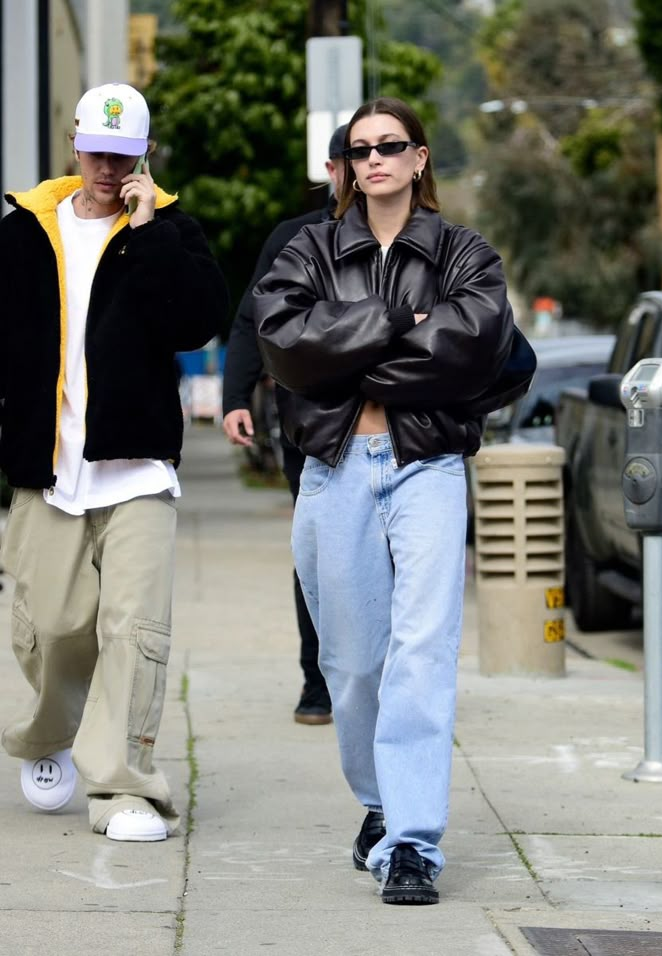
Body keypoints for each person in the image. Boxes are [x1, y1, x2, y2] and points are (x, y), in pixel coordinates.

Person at [254, 97, 534, 903]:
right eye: (360, 148)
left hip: (428, 465)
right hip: (336, 469)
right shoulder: (308, 249)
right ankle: (379, 803)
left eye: (392, 145)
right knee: (350, 665)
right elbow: (287, 347)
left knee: (422, 649)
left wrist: (347, 350)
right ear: (344, 165)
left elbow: (472, 348)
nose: (375, 158)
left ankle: (412, 841)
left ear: (419, 159)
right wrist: (396, 322)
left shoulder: (465, 253)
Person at [0, 83, 228, 841]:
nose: (107, 167)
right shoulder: (25, 233)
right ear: (74, 144)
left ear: (145, 155)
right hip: (47, 464)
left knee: (134, 631)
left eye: (124, 155)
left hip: (137, 469)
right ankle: (46, 736)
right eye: (97, 152)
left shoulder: (169, 230)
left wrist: (150, 228)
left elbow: (197, 322)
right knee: (53, 627)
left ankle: (124, 787)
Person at [222, 125, 348, 725]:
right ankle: (317, 681)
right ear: (331, 168)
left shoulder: (411, 236)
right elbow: (252, 318)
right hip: (310, 425)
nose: (367, 167)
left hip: (393, 426)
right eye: (355, 157)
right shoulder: (293, 237)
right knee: (317, 554)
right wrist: (235, 396)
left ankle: (379, 680)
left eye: (383, 152)